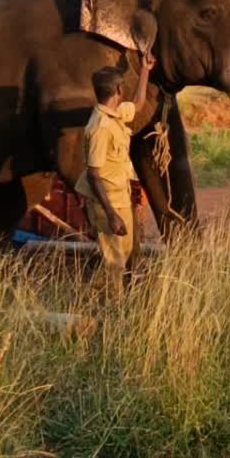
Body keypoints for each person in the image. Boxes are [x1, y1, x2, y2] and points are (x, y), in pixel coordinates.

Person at [76, 51, 156, 292]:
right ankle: (110, 308)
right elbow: (93, 173)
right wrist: (110, 214)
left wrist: (145, 70)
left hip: (120, 197)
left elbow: (139, 104)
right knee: (115, 262)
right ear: (119, 91)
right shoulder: (99, 127)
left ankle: (97, 296)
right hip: (106, 203)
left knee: (125, 251)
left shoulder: (116, 114)